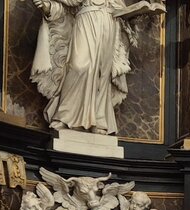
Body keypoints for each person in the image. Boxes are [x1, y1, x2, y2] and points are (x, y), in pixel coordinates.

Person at [31, 0, 129, 133]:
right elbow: (65, 8)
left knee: (102, 73)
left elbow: (120, 8)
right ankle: (64, 116)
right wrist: (47, 6)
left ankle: (98, 120)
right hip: (85, 20)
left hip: (109, 23)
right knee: (78, 67)